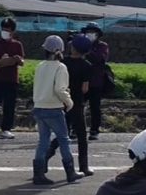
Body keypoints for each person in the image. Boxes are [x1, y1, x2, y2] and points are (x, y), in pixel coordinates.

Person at [31, 35, 78, 186]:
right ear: (60, 50)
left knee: (43, 141)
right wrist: (69, 102)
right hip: (54, 108)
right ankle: (70, 172)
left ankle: (38, 174)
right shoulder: (60, 67)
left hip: (39, 106)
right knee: (64, 139)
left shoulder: (40, 66)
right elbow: (60, 89)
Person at [45, 34, 93, 176]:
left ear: (72, 47)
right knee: (81, 135)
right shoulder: (86, 65)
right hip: (77, 102)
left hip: (62, 101)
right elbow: (85, 88)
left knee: (62, 133)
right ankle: (83, 166)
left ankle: (46, 155)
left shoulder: (63, 62)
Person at [83, 23, 111, 140]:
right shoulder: (81, 44)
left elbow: (99, 58)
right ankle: (76, 128)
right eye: (88, 32)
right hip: (81, 80)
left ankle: (94, 130)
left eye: (92, 32)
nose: (90, 34)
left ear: (98, 34)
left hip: (96, 81)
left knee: (95, 107)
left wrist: (87, 50)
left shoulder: (102, 46)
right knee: (78, 106)